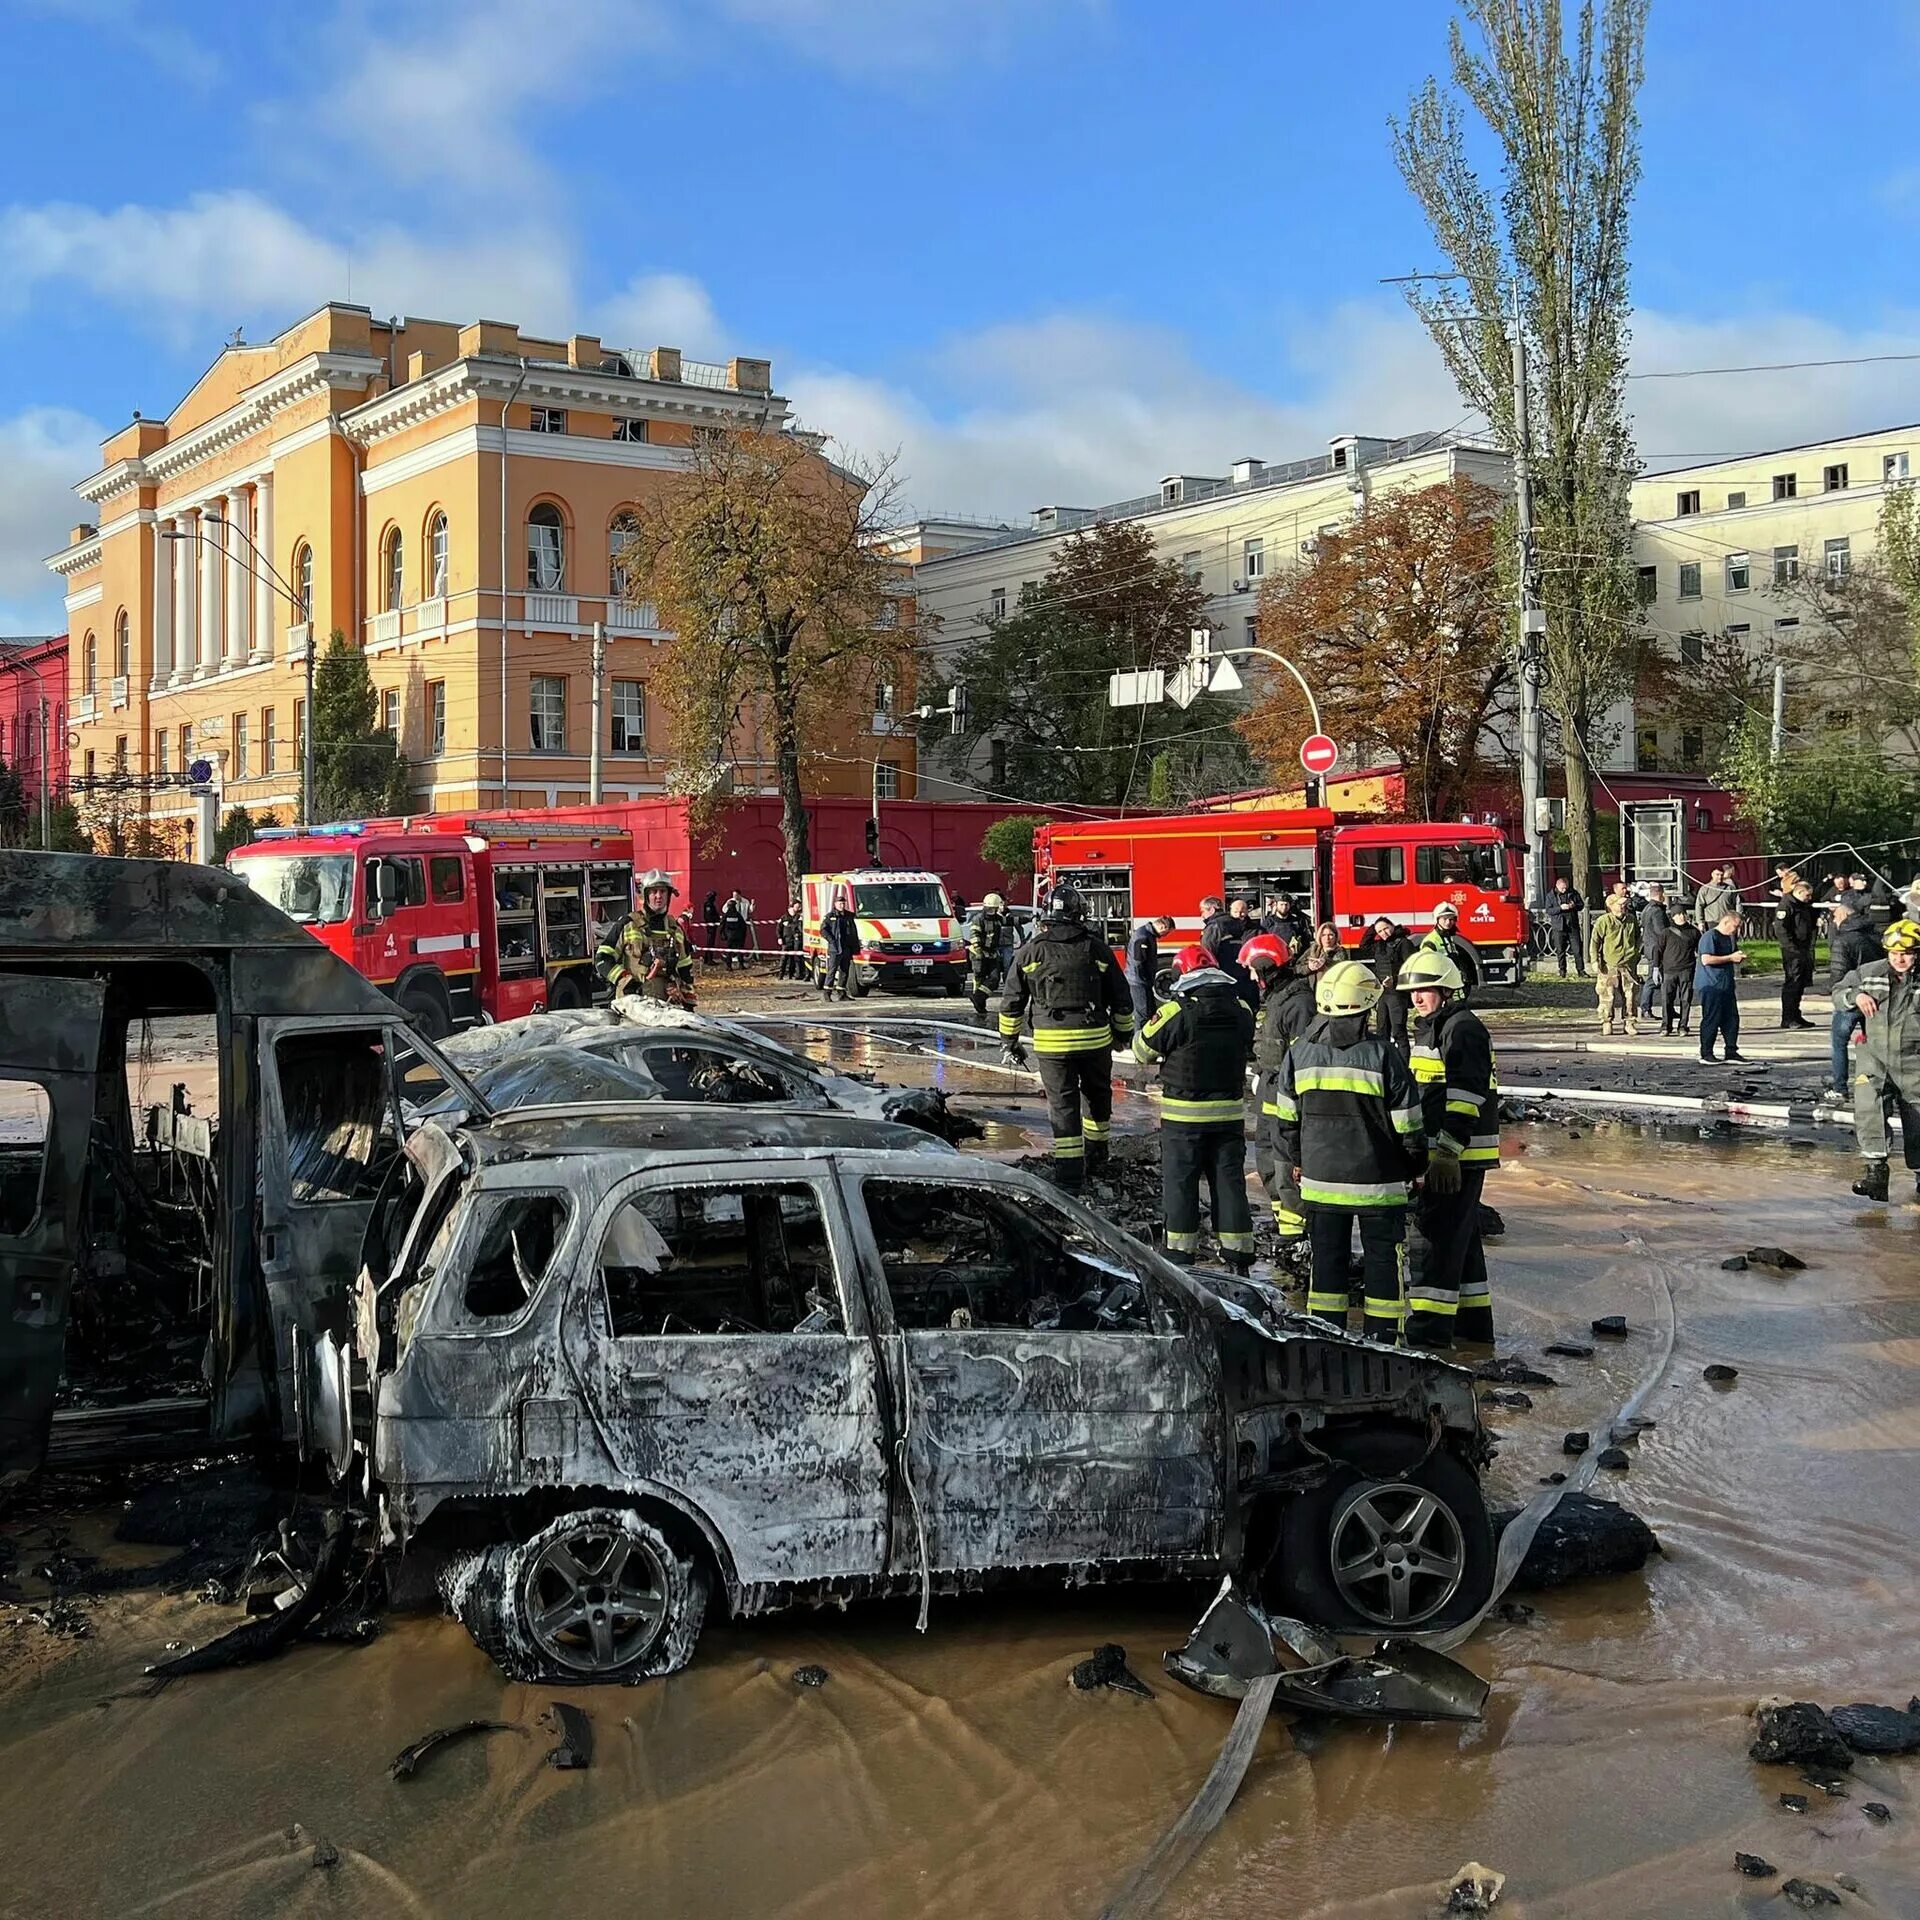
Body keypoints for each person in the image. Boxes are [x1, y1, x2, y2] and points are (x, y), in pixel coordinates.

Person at [1269, 959, 1426, 1341]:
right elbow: (1408, 1124)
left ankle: (1325, 1341)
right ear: (1366, 1009)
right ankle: (1385, 1341)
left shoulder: (1299, 1054)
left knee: (1326, 1265)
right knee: (1383, 1264)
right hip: (1379, 1185)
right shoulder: (1383, 1056)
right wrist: (1416, 1166)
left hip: (1320, 1184)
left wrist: (1300, 1161)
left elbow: (1286, 1119)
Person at [999, 884, 1133, 1188]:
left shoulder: (1030, 950)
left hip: (1052, 1043)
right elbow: (1122, 998)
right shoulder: (1096, 948)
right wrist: (1123, 1033)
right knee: (1097, 1095)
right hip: (1095, 1040)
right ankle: (1098, 1157)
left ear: (1047, 916)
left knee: (1063, 1103)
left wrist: (1010, 1041)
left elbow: (1011, 1002)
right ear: (1079, 914)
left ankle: (1069, 1176)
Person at [1400, 948, 1501, 1349]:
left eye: (1425, 990)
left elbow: (1464, 1097)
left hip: (1457, 1154)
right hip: (1451, 1152)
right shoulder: (1435, 1026)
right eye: (1412, 992)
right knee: (1462, 1243)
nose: (1417, 998)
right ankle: (1473, 1331)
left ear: (1447, 990)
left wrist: (1446, 1151)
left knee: (1434, 1242)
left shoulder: (1461, 1029)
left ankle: (1429, 1334)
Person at [1134, 943, 1257, 1271]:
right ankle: (1238, 1256)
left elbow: (1142, 1051)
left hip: (1183, 1117)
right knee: (1230, 1183)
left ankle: (1179, 1256)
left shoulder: (1176, 1011)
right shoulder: (1241, 1007)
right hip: (1230, 1115)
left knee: (1181, 1184)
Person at [1242, 930, 1316, 1268]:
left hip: (1288, 1097)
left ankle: (1296, 1236)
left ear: (1266, 967)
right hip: (1269, 1091)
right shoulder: (1275, 998)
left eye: (1252, 970)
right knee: (1268, 1164)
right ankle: (1282, 1224)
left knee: (1287, 1169)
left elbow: (1303, 1058)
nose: (1250, 976)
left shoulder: (1298, 1003)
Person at [1838, 918, 1920, 1200]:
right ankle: (1875, 1174)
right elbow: (1838, 992)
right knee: (1868, 1110)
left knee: (1918, 1119)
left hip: (1914, 1062)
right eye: (1895, 953)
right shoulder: (1869, 972)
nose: (1900, 958)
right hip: (1874, 1058)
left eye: (1907, 953)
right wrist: (1856, 996)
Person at [596, 868, 697, 1007]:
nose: (658, 896)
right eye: (653, 891)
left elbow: (685, 968)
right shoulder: (628, 924)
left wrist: (684, 995)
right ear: (645, 895)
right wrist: (625, 979)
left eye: (663, 891)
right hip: (631, 1004)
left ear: (669, 895)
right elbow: (602, 958)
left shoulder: (675, 929)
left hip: (666, 1006)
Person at [1825, 895, 1882, 1100]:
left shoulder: (1842, 940)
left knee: (1839, 1043)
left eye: (1835, 916)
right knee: (1875, 1043)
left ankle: (1840, 1087)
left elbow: (1838, 973)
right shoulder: (1875, 935)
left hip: (1850, 997)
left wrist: (1837, 992)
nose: (1833, 921)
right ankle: (1877, 1084)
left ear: (1843, 914)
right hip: (1876, 997)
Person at [1694, 906, 1747, 1063]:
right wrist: (1730, 958)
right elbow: (1706, 959)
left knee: (1731, 1018)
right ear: (1725, 922)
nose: (1736, 930)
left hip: (1726, 984)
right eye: (1735, 926)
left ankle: (1731, 1050)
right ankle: (1706, 1052)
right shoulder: (1710, 937)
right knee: (1712, 1018)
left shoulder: (1729, 938)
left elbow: (1731, 955)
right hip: (1711, 984)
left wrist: (1738, 957)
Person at [1356, 914, 1416, 1053]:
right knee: (1382, 1032)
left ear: (1392, 926)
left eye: (1386, 928)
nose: (1384, 933)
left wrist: (1394, 980)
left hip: (1397, 993)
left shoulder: (1404, 943)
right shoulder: (1379, 945)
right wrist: (1374, 925)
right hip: (1383, 994)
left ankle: (1403, 1065)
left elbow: (1411, 968)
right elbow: (1363, 944)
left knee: (1398, 1032)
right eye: (1380, 931)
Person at [1588, 889, 1643, 1036]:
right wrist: (1595, 961)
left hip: (1628, 965)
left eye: (1624, 904)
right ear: (1611, 906)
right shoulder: (1603, 921)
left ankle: (1629, 1022)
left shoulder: (1631, 919)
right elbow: (1595, 942)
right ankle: (1607, 1022)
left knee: (1630, 995)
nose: (1623, 907)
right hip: (1609, 965)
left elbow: (1638, 937)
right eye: (1619, 904)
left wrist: (1636, 953)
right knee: (1607, 996)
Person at [1776, 879, 1818, 1029]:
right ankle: (1788, 1017)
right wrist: (1791, 949)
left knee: (1800, 983)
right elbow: (1781, 929)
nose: (1809, 898)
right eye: (1807, 895)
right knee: (1792, 983)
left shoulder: (1802, 905)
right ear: (1799, 892)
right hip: (1792, 951)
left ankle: (1796, 1015)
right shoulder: (1787, 905)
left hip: (1803, 948)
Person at [1420, 901, 1483, 996]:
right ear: (1437, 920)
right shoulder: (1430, 941)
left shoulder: (1448, 937)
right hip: (1441, 985)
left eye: (1451, 919)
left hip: (1450, 983)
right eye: (1444, 919)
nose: (1448, 922)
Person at [969, 892, 1014, 1022]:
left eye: (994, 909)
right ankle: (980, 1005)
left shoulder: (997, 918)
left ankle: (977, 997)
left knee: (994, 978)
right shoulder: (978, 919)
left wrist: (1028, 918)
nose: (991, 911)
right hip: (979, 953)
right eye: (989, 908)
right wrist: (978, 950)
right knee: (979, 979)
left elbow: (1010, 921)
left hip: (992, 953)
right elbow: (974, 934)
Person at [1126, 912, 1175, 1031]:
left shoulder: (1147, 934)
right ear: (1163, 927)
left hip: (1141, 981)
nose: (1165, 935)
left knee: (1150, 1012)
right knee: (1143, 1015)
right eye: (1167, 932)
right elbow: (1138, 963)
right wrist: (1145, 980)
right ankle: (1140, 1041)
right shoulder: (1143, 936)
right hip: (1139, 983)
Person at [1657, 906, 1700, 1037]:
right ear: (1673, 917)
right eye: (1678, 914)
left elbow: (1700, 949)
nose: (1681, 916)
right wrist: (1656, 967)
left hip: (1687, 969)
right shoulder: (1666, 933)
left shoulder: (1694, 932)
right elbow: (1658, 950)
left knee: (1685, 999)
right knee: (1666, 999)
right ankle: (1666, 1025)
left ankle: (1683, 1025)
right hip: (1669, 970)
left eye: (1683, 914)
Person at [1635, 884, 1670, 1022]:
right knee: (1653, 979)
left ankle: (1664, 1007)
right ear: (1661, 894)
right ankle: (1645, 1008)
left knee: (1658, 978)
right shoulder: (1657, 911)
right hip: (1656, 948)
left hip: (1649, 946)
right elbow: (1661, 931)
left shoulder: (1647, 908)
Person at [1543, 875, 1585, 977]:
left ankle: (1581, 970)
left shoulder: (1573, 893)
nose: (1564, 889)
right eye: (1562, 888)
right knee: (1560, 950)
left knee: (1577, 949)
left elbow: (1581, 905)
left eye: (1566, 887)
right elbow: (1549, 910)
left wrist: (1573, 905)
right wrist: (1560, 908)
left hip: (1572, 926)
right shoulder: (1551, 895)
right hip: (1559, 926)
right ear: (1557, 886)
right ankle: (1562, 970)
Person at [821, 889, 860, 1000]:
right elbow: (823, 930)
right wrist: (832, 941)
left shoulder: (849, 916)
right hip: (835, 948)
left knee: (844, 971)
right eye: (839, 903)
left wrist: (855, 946)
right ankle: (827, 993)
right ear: (835, 904)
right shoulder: (830, 916)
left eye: (843, 903)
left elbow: (853, 931)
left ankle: (841, 992)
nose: (842, 905)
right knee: (832, 971)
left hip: (846, 947)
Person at [1695, 866, 1740, 930]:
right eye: (1717, 874)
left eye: (1721, 875)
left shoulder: (1729, 888)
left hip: (1727, 922)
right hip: (1711, 923)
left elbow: (1737, 903)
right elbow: (1699, 905)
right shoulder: (1705, 889)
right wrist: (1700, 922)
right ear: (1712, 874)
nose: (1719, 877)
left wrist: (1738, 918)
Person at [720, 889, 751, 970]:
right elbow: (743, 925)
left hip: (729, 936)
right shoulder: (738, 915)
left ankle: (729, 966)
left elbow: (722, 925)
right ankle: (741, 965)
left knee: (729, 951)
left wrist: (722, 934)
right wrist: (743, 934)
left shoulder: (726, 916)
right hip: (739, 935)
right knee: (740, 950)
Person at [775, 901, 806, 980]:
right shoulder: (784, 917)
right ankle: (781, 975)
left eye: (798, 907)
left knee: (794, 958)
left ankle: (792, 974)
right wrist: (779, 938)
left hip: (796, 940)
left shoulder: (799, 917)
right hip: (786, 940)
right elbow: (779, 929)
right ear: (790, 908)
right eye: (796, 907)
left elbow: (800, 928)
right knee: (784, 958)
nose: (797, 909)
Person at [700, 889, 721, 962]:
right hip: (711, 925)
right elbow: (709, 916)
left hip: (712, 924)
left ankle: (707, 958)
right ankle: (709, 959)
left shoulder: (710, 904)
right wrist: (716, 919)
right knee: (710, 942)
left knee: (710, 942)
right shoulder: (709, 904)